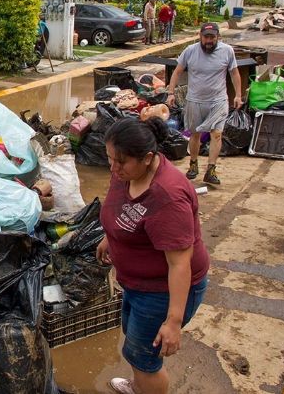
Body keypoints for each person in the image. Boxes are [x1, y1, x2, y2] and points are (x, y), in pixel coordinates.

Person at [97, 117, 210, 394]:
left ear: (148, 158)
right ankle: (139, 387)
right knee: (135, 343)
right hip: (136, 285)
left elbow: (179, 263)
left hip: (162, 292)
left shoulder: (167, 197)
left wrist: (173, 321)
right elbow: (121, 209)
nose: (113, 167)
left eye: (120, 161)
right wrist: (109, 238)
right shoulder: (127, 172)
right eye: (110, 158)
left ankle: (145, 385)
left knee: (143, 357)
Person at [165, 22, 243, 185]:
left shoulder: (227, 51)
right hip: (195, 101)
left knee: (216, 134)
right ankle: (193, 164)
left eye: (212, 37)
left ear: (218, 37)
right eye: (206, 37)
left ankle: (211, 169)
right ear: (200, 36)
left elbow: (234, 73)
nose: (209, 40)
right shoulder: (190, 51)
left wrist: (238, 95)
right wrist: (171, 93)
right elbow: (177, 72)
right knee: (195, 134)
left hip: (218, 100)